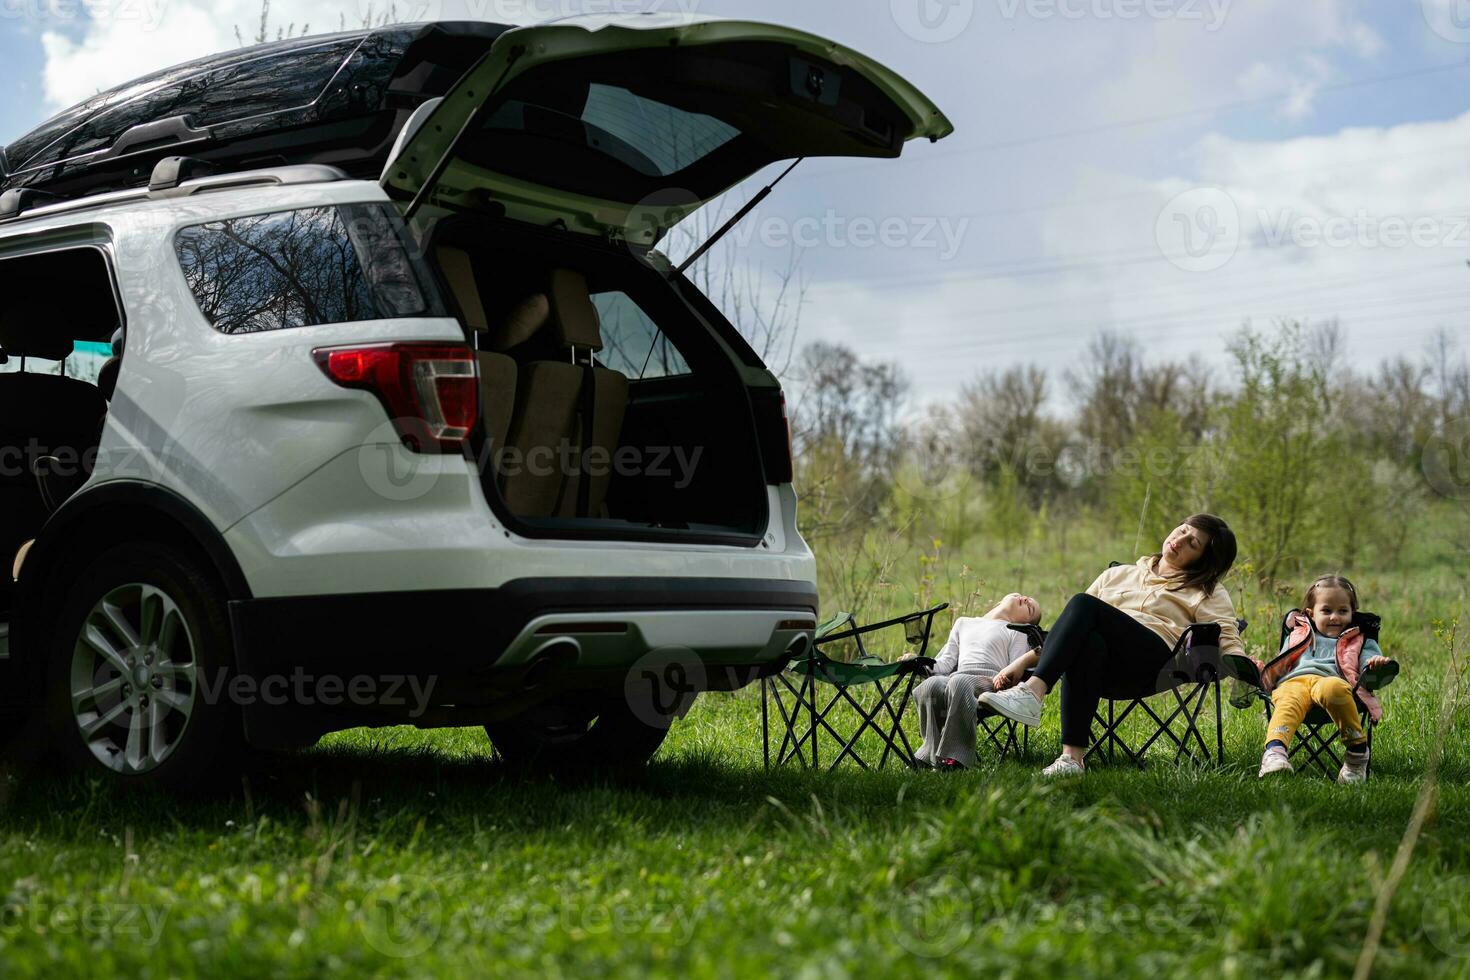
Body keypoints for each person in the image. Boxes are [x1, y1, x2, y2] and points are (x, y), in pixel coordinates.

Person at [978, 514, 1243, 777]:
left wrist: (1245, 668)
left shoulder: (1206, 591)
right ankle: (1072, 760)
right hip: (1105, 669)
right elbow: (1071, 630)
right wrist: (1022, 661)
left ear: (1203, 562)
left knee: (1083, 603)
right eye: (1182, 530)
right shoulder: (1117, 574)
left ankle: (1033, 692)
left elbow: (1226, 634)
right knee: (1088, 642)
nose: (1180, 540)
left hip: (1155, 664)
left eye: (1193, 543)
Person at [1255, 574, 1391, 784]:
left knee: (1332, 688)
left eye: (1343, 611)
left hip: (1333, 684)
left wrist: (1375, 663)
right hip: (1295, 682)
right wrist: (1263, 670)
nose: (1335, 617)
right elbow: (1282, 662)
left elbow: (1367, 663)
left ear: (1352, 613)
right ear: (1311, 613)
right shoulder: (1298, 634)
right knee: (1288, 697)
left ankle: (1356, 754)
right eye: (1326, 611)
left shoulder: (1359, 638)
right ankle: (1275, 753)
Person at [908, 594, 1043, 770]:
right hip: (956, 677)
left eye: (1030, 607)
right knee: (930, 685)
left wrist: (1006, 683)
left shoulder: (1018, 631)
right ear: (999, 600)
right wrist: (917, 661)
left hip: (990, 681)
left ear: (1028, 623)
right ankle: (929, 753)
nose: (1026, 600)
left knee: (959, 682)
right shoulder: (963, 623)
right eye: (1023, 596)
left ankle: (956, 758)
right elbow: (945, 663)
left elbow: (1015, 667)